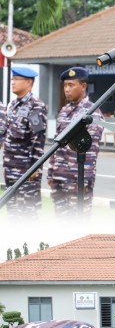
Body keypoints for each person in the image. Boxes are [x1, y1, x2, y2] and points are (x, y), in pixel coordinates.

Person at [47, 67, 103, 216]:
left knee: (78, 225)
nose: (66, 89)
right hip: (59, 177)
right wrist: (51, 172)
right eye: (65, 85)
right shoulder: (64, 110)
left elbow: (91, 150)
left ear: (83, 86)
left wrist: (84, 180)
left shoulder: (92, 113)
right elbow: (56, 144)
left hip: (76, 179)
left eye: (71, 85)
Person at [2, 67, 47, 217]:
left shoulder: (35, 106)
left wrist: (34, 168)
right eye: (12, 79)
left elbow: (38, 139)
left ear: (28, 82)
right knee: (13, 214)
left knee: (27, 215)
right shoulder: (13, 105)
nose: (13, 83)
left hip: (26, 172)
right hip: (10, 170)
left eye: (16, 79)